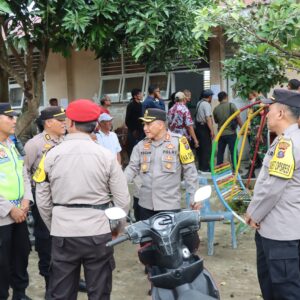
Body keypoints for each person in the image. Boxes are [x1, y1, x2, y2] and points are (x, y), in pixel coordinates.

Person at [35, 99, 130, 300]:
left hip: (63, 232)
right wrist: (117, 228)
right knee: (99, 292)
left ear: (70, 122)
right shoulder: (106, 156)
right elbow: (122, 200)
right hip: (98, 231)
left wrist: (56, 223)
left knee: (61, 292)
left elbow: (42, 199)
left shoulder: (50, 156)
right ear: (95, 125)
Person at [246, 89, 300, 300]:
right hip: (288, 228)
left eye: (269, 109)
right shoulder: (288, 140)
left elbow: (272, 188)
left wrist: (253, 214)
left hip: (280, 234)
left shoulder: (286, 144)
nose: (266, 113)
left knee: (284, 290)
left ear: (281, 114)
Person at [125, 108, 199, 219]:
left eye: (149, 124)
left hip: (169, 206)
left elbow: (191, 172)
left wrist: (194, 197)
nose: (145, 128)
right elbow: (131, 169)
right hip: (145, 205)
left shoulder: (180, 142)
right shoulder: (140, 145)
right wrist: (117, 185)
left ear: (161, 125)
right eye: (144, 124)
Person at [24, 106, 66, 298]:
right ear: (48, 123)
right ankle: (50, 283)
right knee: (46, 240)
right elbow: (25, 172)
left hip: (64, 198)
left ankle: (68, 277)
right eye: (60, 120)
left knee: (65, 240)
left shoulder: (67, 141)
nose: (64, 122)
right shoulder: (34, 144)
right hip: (43, 199)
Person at [0, 103, 33, 300]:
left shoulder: (11, 143)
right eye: (9, 117)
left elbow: (23, 174)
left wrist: (26, 200)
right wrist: (10, 208)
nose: (14, 121)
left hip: (20, 213)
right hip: (3, 216)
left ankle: (20, 294)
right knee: (2, 263)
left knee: (21, 255)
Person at [242, 91, 268, 179]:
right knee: (253, 153)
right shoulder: (259, 99)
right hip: (255, 132)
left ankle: (269, 174)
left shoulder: (260, 100)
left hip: (258, 132)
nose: (250, 93)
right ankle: (250, 173)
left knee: (262, 153)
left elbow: (264, 116)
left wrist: (259, 132)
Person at [213, 91, 243, 165]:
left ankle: (219, 168)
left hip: (221, 134)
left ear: (219, 99)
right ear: (226, 97)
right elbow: (238, 117)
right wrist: (242, 128)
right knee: (233, 151)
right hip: (231, 133)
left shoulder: (216, 109)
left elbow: (216, 121)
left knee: (220, 152)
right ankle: (236, 169)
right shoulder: (231, 105)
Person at [195, 89, 214, 172]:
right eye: (211, 96)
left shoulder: (199, 103)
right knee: (206, 148)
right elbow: (208, 118)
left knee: (201, 148)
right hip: (204, 128)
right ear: (209, 97)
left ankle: (201, 166)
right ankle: (205, 167)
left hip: (198, 127)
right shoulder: (206, 104)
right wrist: (212, 130)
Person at [125, 88, 144, 158]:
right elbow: (127, 120)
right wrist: (133, 130)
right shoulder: (131, 105)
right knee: (133, 148)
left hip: (140, 130)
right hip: (133, 131)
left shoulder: (141, 105)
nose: (142, 95)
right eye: (140, 94)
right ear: (135, 96)